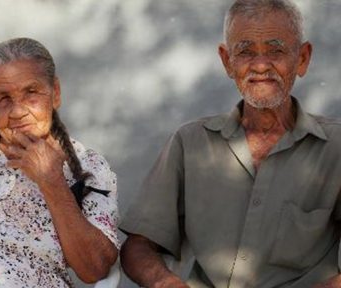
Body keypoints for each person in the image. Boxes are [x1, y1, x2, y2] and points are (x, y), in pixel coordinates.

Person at [119, 0, 341, 287]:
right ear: (227, 61)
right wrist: (166, 283)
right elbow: (138, 246)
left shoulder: (335, 147)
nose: (260, 65)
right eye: (245, 51)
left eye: (276, 50)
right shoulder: (191, 143)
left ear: (302, 59)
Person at [0, 37, 119, 287]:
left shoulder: (89, 167)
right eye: (3, 98)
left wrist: (52, 181)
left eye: (31, 93)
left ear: (55, 93)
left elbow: (94, 268)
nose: (17, 111)